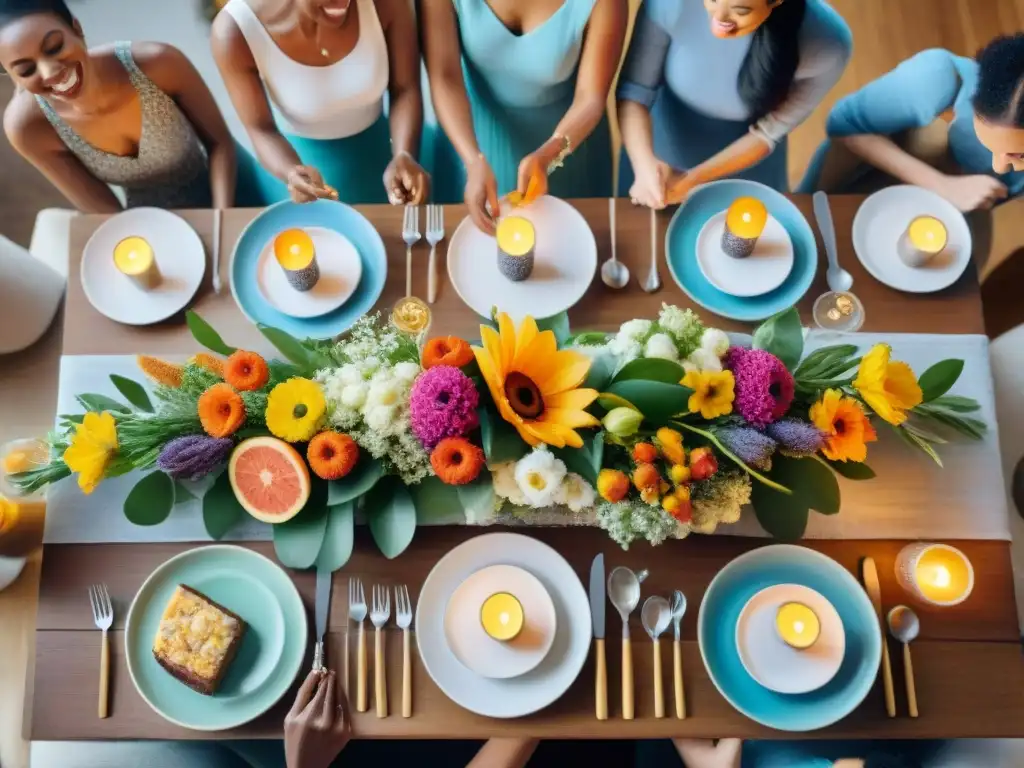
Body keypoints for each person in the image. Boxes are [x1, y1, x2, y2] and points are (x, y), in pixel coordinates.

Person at [0, 0, 236, 212]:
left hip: (223, 187)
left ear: (77, 29)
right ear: (12, 76)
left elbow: (220, 144)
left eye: (54, 47)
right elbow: (105, 211)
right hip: (141, 219)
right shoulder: (28, 128)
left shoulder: (159, 63)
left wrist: (220, 222)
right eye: (25, 70)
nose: (50, 71)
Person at [617, 0, 851, 207]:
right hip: (656, 142)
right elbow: (635, 89)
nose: (718, 19)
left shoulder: (826, 44)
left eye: (741, 10)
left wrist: (691, 179)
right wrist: (643, 162)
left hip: (746, 159)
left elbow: (768, 133)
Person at [422, 0, 626, 233]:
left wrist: (550, 153)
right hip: (467, 141)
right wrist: (472, 160)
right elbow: (444, 76)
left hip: (569, 150)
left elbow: (590, 99)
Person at [212, 0, 429, 206]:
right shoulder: (234, 32)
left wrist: (404, 153)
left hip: (386, 154)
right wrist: (291, 171)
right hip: (292, 167)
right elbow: (260, 129)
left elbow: (405, 89)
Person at [801, 34, 1024, 211]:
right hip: (863, 173)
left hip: (968, 201)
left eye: (1019, 154)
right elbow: (841, 123)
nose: (999, 167)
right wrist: (942, 185)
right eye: (988, 142)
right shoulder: (936, 77)